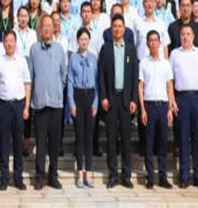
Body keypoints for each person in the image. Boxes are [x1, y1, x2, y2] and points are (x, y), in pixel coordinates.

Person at [98, 13, 138, 188]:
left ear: (124, 28)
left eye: (120, 26)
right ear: (111, 28)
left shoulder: (130, 49)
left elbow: (135, 76)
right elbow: (101, 75)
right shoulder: (106, 48)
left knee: (126, 140)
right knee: (111, 139)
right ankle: (113, 175)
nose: (117, 29)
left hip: (126, 99)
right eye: (114, 26)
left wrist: (134, 99)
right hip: (111, 99)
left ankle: (126, 175)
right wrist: (104, 96)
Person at [29, 14, 67, 190]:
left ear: (54, 28)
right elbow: (31, 76)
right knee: (41, 143)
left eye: (49, 26)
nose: (46, 29)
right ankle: (39, 176)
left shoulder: (59, 49)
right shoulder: (34, 49)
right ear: (40, 29)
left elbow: (64, 76)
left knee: (54, 143)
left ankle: (53, 175)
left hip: (56, 104)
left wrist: (56, 89)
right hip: (39, 103)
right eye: (44, 26)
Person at [170, 24, 198, 189]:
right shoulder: (174, 54)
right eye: (182, 34)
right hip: (181, 98)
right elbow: (170, 80)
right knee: (183, 138)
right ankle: (184, 176)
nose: (185, 37)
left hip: (197, 97)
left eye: (188, 34)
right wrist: (172, 101)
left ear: (193, 36)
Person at [0, 30, 30, 191]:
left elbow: (27, 84)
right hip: (3, 105)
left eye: (11, 41)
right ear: (3, 43)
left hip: (19, 105)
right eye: (6, 41)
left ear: (15, 43)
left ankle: (18, 178)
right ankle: (4, 179)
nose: (9, 44)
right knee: (4, 143)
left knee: (18, 143)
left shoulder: (21, 61)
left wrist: (26, 106)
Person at [138, 30, 174, 189]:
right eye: (150, 40)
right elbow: (140, 87)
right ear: (147, 44)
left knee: (162, 143)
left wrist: (170, 108)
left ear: (160, 43)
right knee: (149, 142)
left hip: (163, 106)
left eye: (156, 40)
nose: (153, 43)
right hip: (149, 105)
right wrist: (142, 109)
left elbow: (169, 86)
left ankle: (163, 176)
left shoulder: (166, 63)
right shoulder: (143, 63)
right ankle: (150, 176)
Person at [68, 27, 98, 189]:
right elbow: (70, 82)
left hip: (90, 96)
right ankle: (80, 172)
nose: (83, 42)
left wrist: (96, 103)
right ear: (77, 41)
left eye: (86, 39)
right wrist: (72, 103)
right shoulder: (73, 58)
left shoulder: (94, 58)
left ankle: (89, 173)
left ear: (89, 41)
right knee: (79, 136)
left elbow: (98, 83)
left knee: (89, 137)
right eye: (81, 39)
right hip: (78, 96)